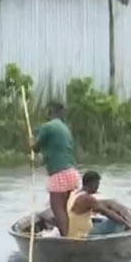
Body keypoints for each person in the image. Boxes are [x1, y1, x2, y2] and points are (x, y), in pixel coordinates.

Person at [32, 101, 79, 237]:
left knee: (58, 210)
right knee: (65, 210)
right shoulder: (65, 128)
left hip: (59, 174)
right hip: (72, 173)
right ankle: (68, 235)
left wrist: (31, 143)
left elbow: (36, 147)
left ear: (51, 111)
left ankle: (65, 239)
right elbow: (54, 153)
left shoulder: (48, 127)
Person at [65, 171, 131, 239]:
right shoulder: (88, 198)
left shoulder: (74, 193)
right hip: (80, 233)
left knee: (103, 221)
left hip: (71, 229)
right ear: (92, 184)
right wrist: (126, 224)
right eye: (97, 184)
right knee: (117, 224)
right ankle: (114, 244)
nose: (98, 186)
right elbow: (107, 213)